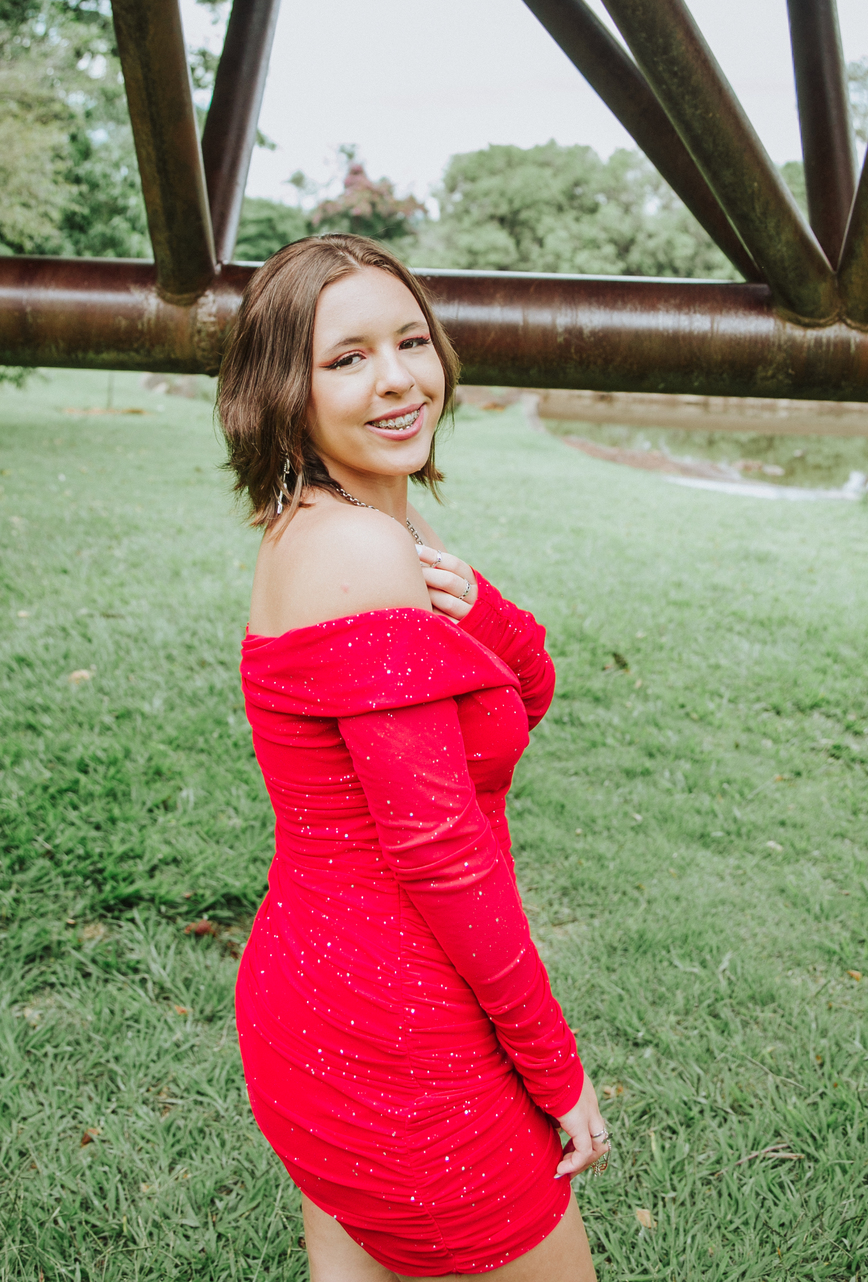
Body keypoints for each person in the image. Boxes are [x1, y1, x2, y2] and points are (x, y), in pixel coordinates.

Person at [218, 232, 609, 1282]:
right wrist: (556, 1069)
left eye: (411, 341)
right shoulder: (355, 549)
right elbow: (441, 854)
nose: (397, 379)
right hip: (390, 1029)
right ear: (284, 390)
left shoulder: (364, 522)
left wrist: (483, 607)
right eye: (347, 358)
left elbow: (528, 693)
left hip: (327, 991)